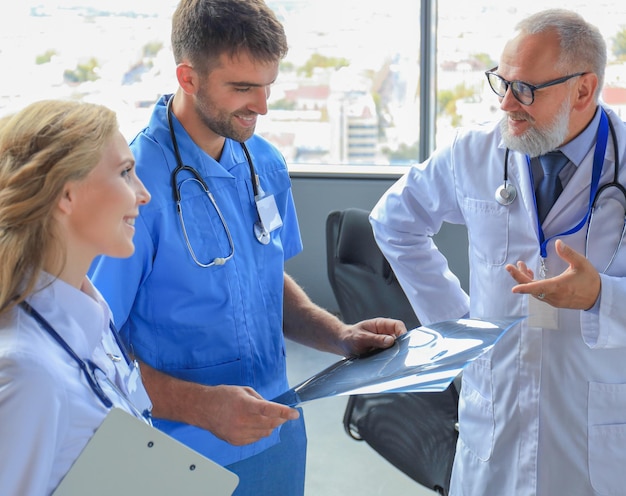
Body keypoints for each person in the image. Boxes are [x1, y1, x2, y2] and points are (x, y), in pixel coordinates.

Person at [88, 0, 405, 494]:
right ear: (188, 78)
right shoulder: (133, 188)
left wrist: (338, 335)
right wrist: (204, 407)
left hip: (276, 430)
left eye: (267, 86)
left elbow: (264, 276)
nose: (261, 105)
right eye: (242, 88)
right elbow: (96, 351)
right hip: (177, 450)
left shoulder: (264, 162)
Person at [370, 8, 626, 496]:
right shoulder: (476, 152)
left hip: (599, 426)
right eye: (502, 82)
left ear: (583, 90)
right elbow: (394, 223)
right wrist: (462, 329)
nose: (507, 103)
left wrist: (601, 296)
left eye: (526, 89)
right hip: (497, 415)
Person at [0, 99, 152, 495]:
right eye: (125, 173)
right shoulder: (27, 371)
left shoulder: (91, 320)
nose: (144, 194)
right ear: (66, 195)